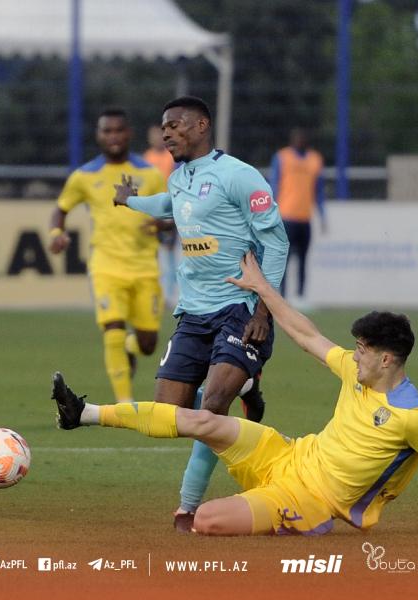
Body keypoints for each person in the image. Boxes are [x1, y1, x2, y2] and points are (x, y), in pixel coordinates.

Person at [52, 253, 418, 539]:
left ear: (386, 359)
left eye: (362, 349)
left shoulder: (413, 416)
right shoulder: (354, 372)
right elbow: (306, 335)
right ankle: (83, 413)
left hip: (310, 501)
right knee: (203, 420)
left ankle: (266, 511)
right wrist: (263, 288)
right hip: (286, 453)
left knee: (206, 520)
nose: (354, 355)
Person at [112, 96, 289, 531]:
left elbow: (277, 242)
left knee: (211, 408)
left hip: (239, 306)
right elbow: (169, 206)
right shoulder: (178, 178)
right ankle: (245, 383)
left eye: (174, 125)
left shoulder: (239, 175)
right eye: (163, 127)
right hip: (193, 310)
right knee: (168, 412)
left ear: (202, 125)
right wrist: (130, 202)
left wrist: (264, 309)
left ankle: (187, 507)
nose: (166, 133)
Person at [48, 108, 167, 403]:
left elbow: (172, 212)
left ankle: (130, 347)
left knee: (148, 343)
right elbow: (60, 210)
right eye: (107, 131)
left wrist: (161, 224)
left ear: (129, 134)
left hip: (145, 267)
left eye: (119, 130)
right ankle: (125, 404)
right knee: (112, 330)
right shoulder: (85, 176)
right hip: (106, 266)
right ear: (98, 135)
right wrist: (56, 234)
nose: (113, 136)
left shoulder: (150, 174)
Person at [270, 127, 325, 303]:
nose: (300, 140)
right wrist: (271, 213)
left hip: (305, 218)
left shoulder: (315, 159)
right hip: (286, 216)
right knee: (284, 259)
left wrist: (322, 215)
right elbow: (274, 185)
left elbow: (318, 190)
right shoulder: (282, 157)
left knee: (303, 259)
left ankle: (301, 296)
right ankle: (283, 295)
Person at [143, 125, 179, 309]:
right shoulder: (147, 158)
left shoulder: (171, 156)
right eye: (153, 136)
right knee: (154, 254)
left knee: (169, 253)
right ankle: (157, 293)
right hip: (152, 210)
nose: (156, 138)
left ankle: (170, 295)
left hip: (167, 210)